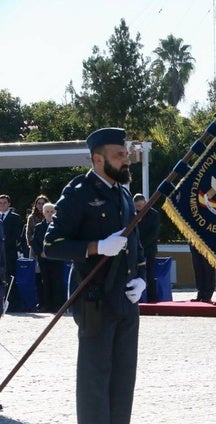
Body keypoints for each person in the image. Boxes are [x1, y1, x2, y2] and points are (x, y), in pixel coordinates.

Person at [44, 127, 146, 423]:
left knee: (123, 379)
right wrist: (96, 246)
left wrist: (141, 278)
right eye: (120, 155)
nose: (126, 159)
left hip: (126, 300)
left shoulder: (124, 194)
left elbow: (136, 244)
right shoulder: (78, 194)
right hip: (95, 301)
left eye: (127, 154)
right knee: (94, 381)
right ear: (98, 159)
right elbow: (52, 245)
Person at [31, 202, 66, 312]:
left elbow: (63, 242)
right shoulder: (39, 227)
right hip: (43, 259)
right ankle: (46, 305)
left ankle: (58, 305)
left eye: (52, 211)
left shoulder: (60, 226)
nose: (50, 214)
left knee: (57, 282)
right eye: (47, 212)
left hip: (57, 259)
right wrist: (40, 252)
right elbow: (34, 242)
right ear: (43, 213)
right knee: (44, 282)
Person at [133, 193, 161, 303]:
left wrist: (141, 245)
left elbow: (154, 234)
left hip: (149, 248)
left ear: (145, 203)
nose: (138, 208)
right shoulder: (132, 214)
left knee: (150, 274)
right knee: (134, 273)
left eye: (140, 206)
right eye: (137, 206)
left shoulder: (154, 214)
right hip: (135, 249)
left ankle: (152, 299)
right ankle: (135, 299)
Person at [25, 194, 50, 309]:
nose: (40, 205)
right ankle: (40, 301)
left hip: (48, 250)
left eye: (43, 203)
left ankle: (48, 301)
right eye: (38, 203)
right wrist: (36, 249)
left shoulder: (50, 215)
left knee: (48, 277)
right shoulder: (32, 217)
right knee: (37, 277)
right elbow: (29, 235)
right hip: (35, 250)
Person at [0, 194, 23, 297]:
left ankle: (11, 302)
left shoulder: (15, 218)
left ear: (9, 204)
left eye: (5, 202)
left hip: (9, 252)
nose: (2, 205)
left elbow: (16, 236)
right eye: (0, 203)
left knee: (9, 276)